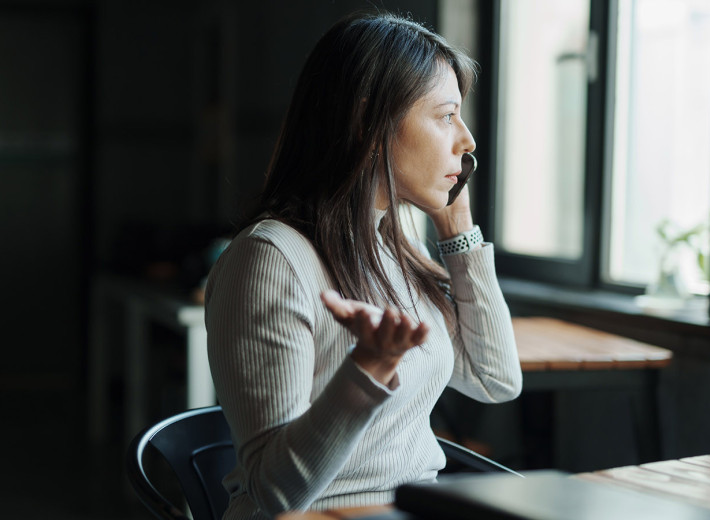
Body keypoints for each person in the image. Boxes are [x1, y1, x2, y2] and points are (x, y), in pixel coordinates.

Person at [204, 11, 522, 519]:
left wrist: (457, 228)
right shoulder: (270, 259)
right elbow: (273, 494)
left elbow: (496, 380)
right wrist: (367, 370)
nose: (467, 141)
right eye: (445, 116)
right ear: (367, 121)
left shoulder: (393, 247)